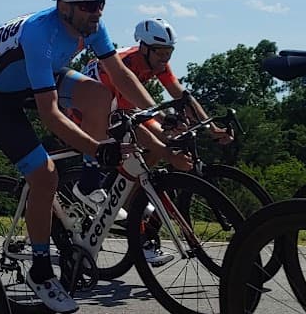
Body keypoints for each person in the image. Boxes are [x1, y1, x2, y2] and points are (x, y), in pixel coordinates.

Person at [0, 0, 156, 314]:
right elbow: (50, 115)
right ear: (63, 6)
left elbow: (119, 75)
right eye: (87, 5)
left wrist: (158, 112)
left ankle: (87, 181)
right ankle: (39, 269)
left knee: (99, 95)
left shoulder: (92, 26)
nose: (95, 12)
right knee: (45, 174)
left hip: (37, 77)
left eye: (100, 4)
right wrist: (97, 147)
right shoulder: (40, 34)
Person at [80, 17, 233, 267]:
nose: (165, 59)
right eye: (161, 53)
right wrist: (165, 124)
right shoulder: (126, 63)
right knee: (155, 139)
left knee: (164, 140)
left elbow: (182, 95)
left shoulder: (157, 62)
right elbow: (135, 115)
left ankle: (136, 193)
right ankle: (135, 214)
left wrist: (210, 127)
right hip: (96, 105)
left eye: (169, 53)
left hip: (121, 106)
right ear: (144, 48)